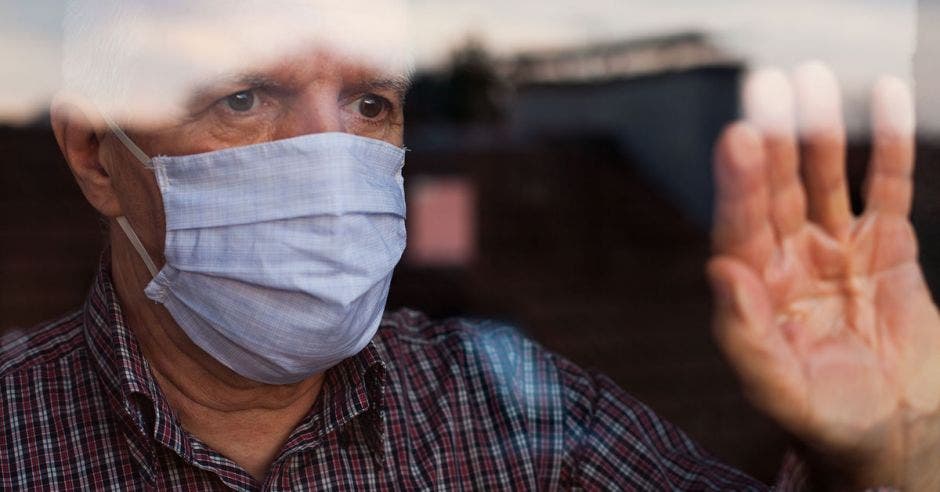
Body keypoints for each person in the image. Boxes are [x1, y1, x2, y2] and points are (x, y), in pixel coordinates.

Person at [2, 1, 939, 490]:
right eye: (244, 99)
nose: (327, 161)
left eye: (371, 105)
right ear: (95, 155)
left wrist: (885, 459)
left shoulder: (520, 418)